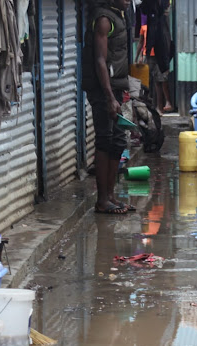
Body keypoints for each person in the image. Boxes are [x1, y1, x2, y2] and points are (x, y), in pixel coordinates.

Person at [82, 0, 134, 214]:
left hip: (117, 87)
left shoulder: (118, 15)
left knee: (119, 139)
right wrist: (109, 97)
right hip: (104, 90)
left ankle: (110, 196)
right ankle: (102, 200)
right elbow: (100, 60)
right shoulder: (103, 19)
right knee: (105, 138)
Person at [137, 23, 173, 114]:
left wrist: (167, 58)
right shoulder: (144, 27)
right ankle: (146, 107)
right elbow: (141, 42)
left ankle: (159, 107)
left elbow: (167, 41)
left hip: (159, 55)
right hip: (148, 55)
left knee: (159, 81)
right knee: (145, 82)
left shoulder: (161, 26)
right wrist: (138, 56)